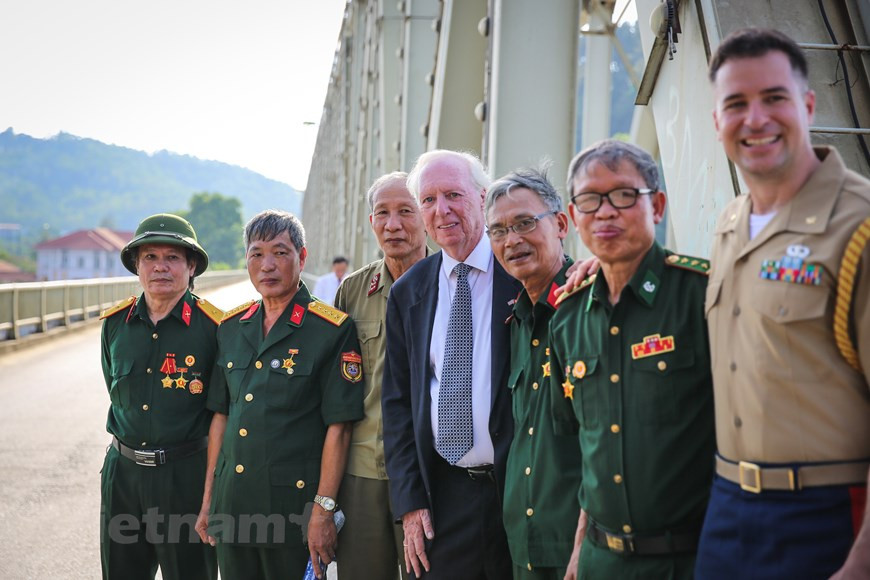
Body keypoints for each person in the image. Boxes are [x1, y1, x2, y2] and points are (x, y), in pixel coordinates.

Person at [696, 28, 870, 579]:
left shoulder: (858, 225)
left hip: (828, 515)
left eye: (774, 98)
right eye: (735, 104)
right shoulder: (729, 224)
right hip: (726, 509)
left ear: (809, 105)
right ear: (717, 120)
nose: (755, 119)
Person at [549, 140, 716, 579]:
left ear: (657, 206)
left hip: (692, 560)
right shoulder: (567, 318)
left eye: (624, 196)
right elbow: (588, 449)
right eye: (589, 199)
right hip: (602, 562)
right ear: (574, 214)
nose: (605, 212)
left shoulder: (703, 295)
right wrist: (579, 553)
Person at [194, 210, 364, 580]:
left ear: (302, 258)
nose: (267, 265)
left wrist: (322, 511)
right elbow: (221, 417)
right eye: (257, 254)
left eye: (280, 252)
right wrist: (210, 499)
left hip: (294, 511)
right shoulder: (231, 327)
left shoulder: (330, 330)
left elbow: (341, 428)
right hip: (234, 505)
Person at [382, 150, 521, 579]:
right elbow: (398, 405)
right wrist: (409, 504)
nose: (441, 210)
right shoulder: (409, 292)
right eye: (428, 199)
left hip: (518, 489)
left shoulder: (520, 274)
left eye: (453, 195)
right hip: (444, 496)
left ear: (482, 197)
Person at [99, 213, 221, 580]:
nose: (160, 267)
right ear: (137, 265)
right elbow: (113, 387)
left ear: (192, 265)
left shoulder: (216, 328)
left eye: (173, 257)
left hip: (185, 477)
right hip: (124, 475)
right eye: (150, 257)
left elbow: (220, 414)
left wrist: (212, 493)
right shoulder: (115, 324)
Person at [484, 167, 582, 579]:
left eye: (525, 223)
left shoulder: (588, 310)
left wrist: (584, 548)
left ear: (561, 224)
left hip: (578, 552)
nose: (512, 240)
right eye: (499, 230)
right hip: (523, 547)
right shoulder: (515, 322)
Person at [333, 172, 428, 580]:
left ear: (426, 215)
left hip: (430, 472)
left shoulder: (454, 284)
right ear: (370, 222)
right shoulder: (352, 291)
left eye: (406, 211)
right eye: (383, 213)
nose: (394, 224)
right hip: (363, 474)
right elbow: (336, 391)